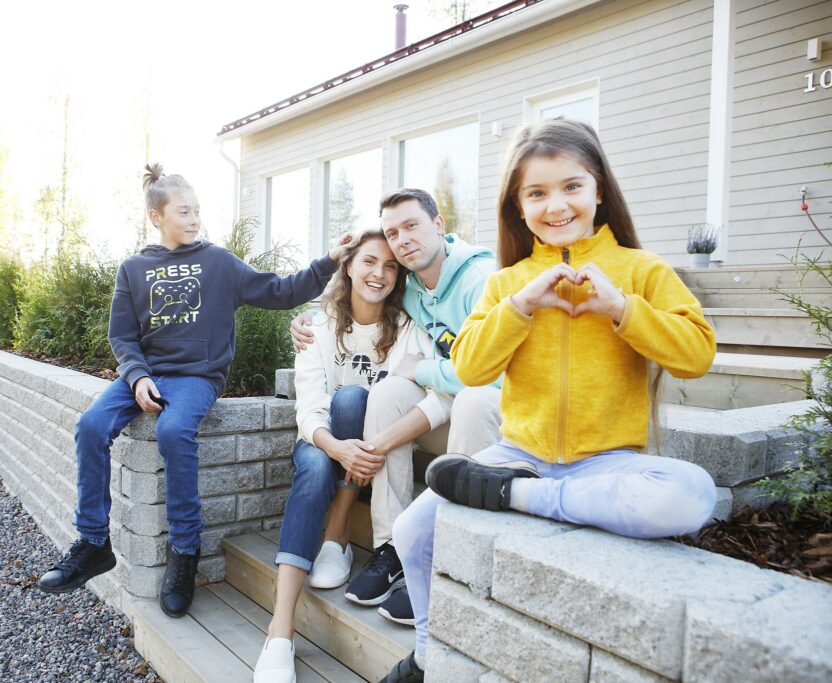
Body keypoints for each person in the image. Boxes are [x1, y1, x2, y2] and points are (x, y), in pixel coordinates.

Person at [380, 118, 718, 683]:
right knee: (414, 531)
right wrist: (520, 308)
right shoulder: (505, 282)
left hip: (605, 462)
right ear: (518, 204)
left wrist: (621, 309)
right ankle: (425, 653)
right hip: (520, 452)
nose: (556, 205)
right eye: (536, 193)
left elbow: (696, 355)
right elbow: (469, 366)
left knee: (692, 494)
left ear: (598, 190)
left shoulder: (642, 271)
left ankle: (523, 499)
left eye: (571, 187)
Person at [36, 163, 350, 620]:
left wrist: (327, 261)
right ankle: (92, 543)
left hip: (196, 377)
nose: (194, 219)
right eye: (184, 211)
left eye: (197, 210)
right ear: (156, 217)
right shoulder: (134, 269)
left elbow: (282, 291)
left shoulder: (219, 263)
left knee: (174, 430)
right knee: (90, 426)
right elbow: (122, 337)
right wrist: (138, 377)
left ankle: (184, 552)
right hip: (144, 374)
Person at [291, 188, 503, 623]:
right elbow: (353, 301)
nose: (402, 240)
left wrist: (422, 373)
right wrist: (302, 324)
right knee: (387, 391)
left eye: (412, 226)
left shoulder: (481, 280)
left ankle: (450, 562)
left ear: (439, 224)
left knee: (471, 402)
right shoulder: (409, 291)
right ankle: (393, 547)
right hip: (447, 406)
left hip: (495, 413)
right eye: (393, 232)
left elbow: (487, 375)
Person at [254, 229, 450, 683]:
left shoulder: (405, 329)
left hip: (370, 449)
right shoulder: (318, 325)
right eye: (368, 262)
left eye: (389, 266)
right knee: (322, 447)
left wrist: (361, 446)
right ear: (348, 266)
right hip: (327, 445)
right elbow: (308, 408)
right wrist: (334, 445)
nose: (378, 274)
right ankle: (280, 629)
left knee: (353, 401)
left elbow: (431, 394)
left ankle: (338, 528)